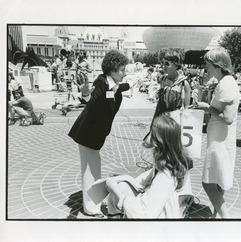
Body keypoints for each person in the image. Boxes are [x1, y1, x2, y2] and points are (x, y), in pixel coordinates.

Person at [68, 50, 131, 216]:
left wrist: (128, 85)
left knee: (94, 167)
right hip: (88, 134)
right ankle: (90, 208)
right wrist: (85, 93)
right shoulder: (101, 82)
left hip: (95, 136)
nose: (125, 73)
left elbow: (123, 86)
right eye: (122, 70)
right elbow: (92, 101)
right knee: (90, 171)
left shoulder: (113, 84)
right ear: (112, 70)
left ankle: (93, 201)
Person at [105, 114, 193, 218]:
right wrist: (120, 179)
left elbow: (145, 215)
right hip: (158, 205)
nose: (147, 135)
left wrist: (118, 194)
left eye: (151, 133)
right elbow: (144, 178)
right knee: (121, 185)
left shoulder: (166, 175)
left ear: (157, 142)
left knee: (117, 191)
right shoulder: (172, 158)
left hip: (161, 218)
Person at [196, 47, 240, 218]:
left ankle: (225, 217)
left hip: (220, 139)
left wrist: (207, 107)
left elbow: (228, 117)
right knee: (219, 178)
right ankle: (216, 216)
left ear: (218, 65)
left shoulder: (226, 84)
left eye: (208, 64)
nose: (206, 67)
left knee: (208, 182)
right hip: (222, 136)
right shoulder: (226, 81)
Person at [142, 48, 191, 147]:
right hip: (161, 123)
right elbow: (160, 106)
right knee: (148, 144)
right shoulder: (163, 80)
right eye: (163, 63)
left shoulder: (184, 83)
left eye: (167, 64)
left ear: (176, 65)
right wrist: (153, 126)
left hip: (174, 126)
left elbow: (187, 110)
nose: (163, 66)